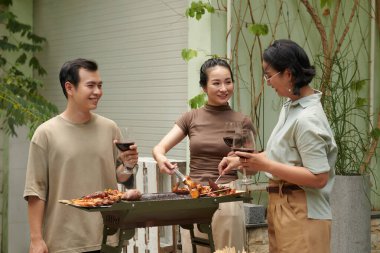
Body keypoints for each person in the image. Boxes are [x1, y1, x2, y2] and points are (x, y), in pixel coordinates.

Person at [218, 39, 337, 253]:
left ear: (288, 74)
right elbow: (279, 155)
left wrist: (265, 166)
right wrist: (243, 161)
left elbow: (319, 177)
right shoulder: (291, 108)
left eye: (268, 74)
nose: (267, 82)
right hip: (283, 207)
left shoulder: (308, 118)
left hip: (302, 212)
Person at [23, 58, 139, 253]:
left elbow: (121, 177)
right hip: (63, 241)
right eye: (91, 85)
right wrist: (36, 239)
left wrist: (128, 166)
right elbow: (36, 191)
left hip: (107, 237)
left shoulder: (110, 128)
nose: (98, 92)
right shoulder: (45, 134)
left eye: (100, 86)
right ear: (70, 88)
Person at [152, 58, 254, 253]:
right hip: (195, 196)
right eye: (216, 83)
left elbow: (251, 165)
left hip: (227, 195)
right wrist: (160, 158)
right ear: (204, 87)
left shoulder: (243, 121)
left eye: (228, 81)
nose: (224, 88)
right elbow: (159, 148)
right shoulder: (190, 118)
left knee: (228, 250)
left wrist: (240, 164)